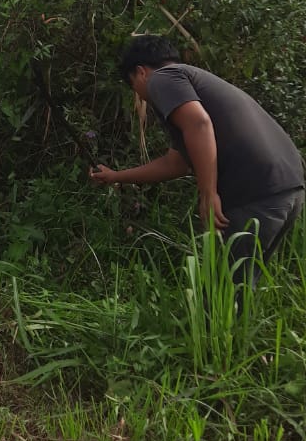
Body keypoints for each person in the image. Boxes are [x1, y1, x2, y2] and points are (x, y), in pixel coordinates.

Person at [90, 35, 304, 285]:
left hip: (255, 193)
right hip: (288, 189)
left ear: (140, 72)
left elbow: (200, 124)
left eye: (132, 85)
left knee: (219, 296)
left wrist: (208, 193)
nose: (139, 95)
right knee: (238, 292)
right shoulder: (193, 80)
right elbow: (176, 163)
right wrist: (116, 176)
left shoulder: (163, 78)